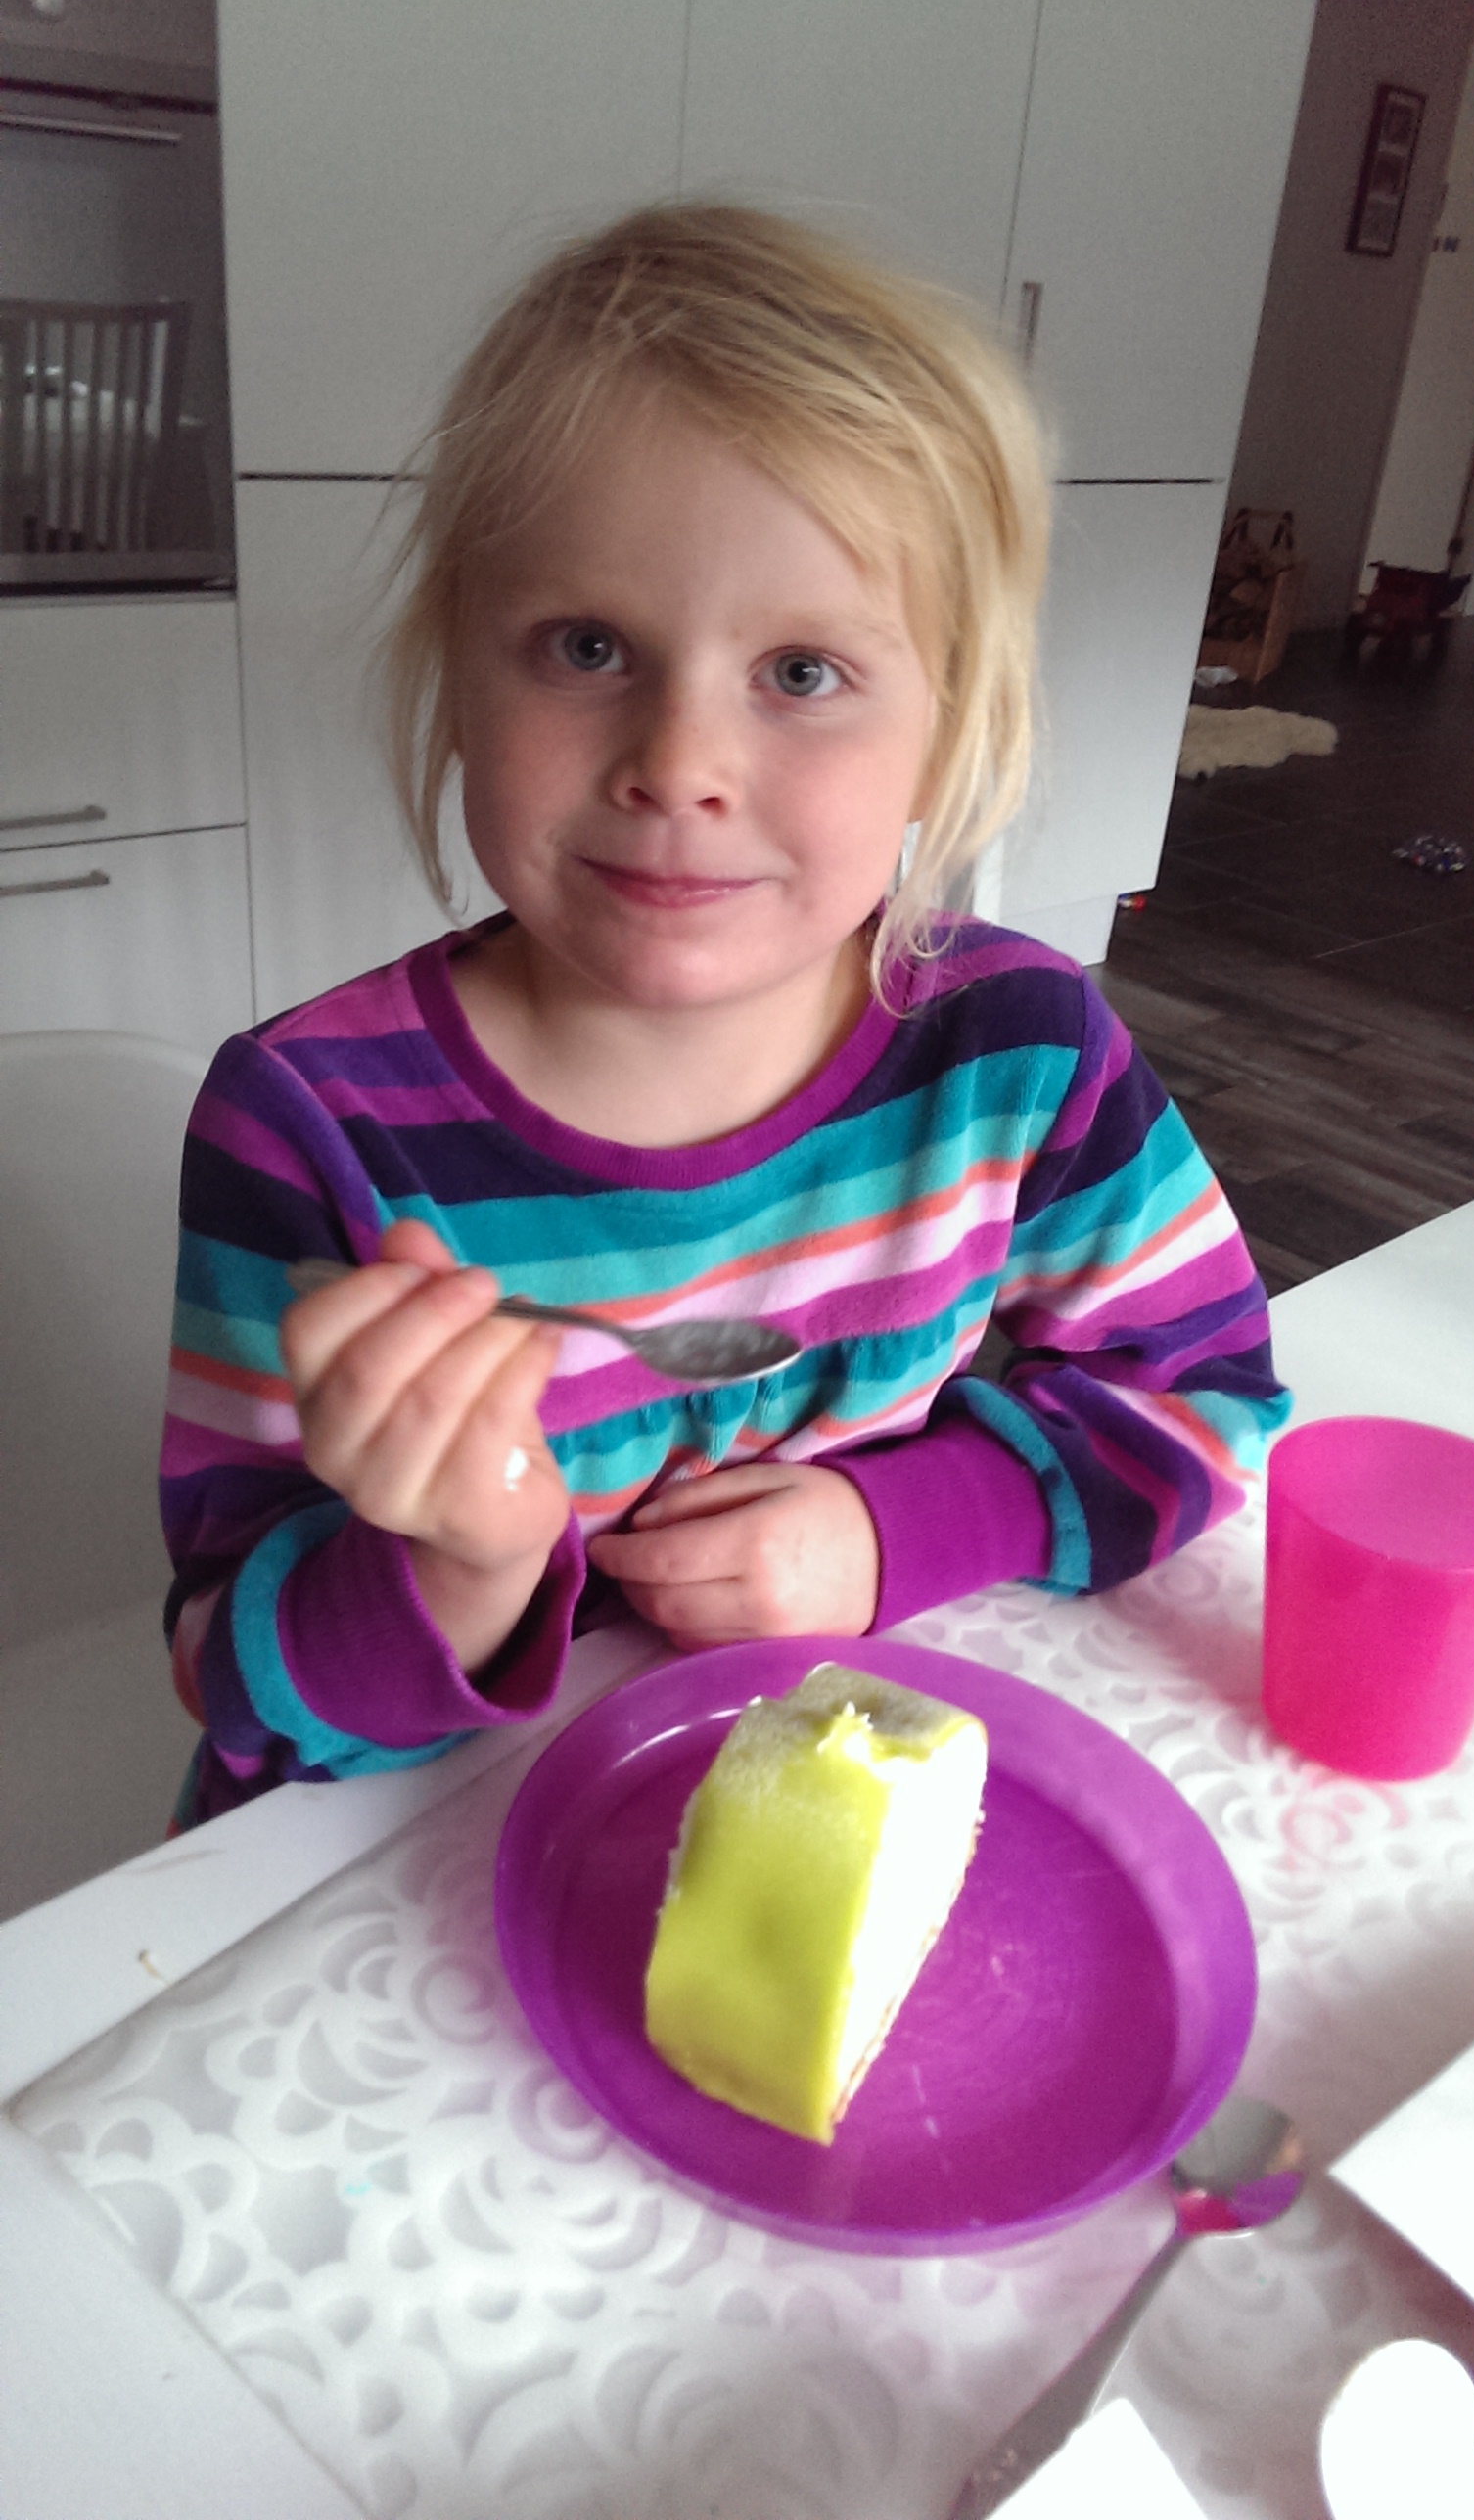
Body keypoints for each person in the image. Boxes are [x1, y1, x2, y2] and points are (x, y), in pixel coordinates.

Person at [161, 204, 1289, 1827]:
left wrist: (891, 1534)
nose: (678, 763)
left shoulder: (1013, 1059)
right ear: (460, 676)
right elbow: (228, 1680)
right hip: (414, 1857)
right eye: (588, 646)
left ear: (945, 722)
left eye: (803, 672)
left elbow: (1203, 1400)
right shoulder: (312, 1128)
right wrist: (461, 1559)